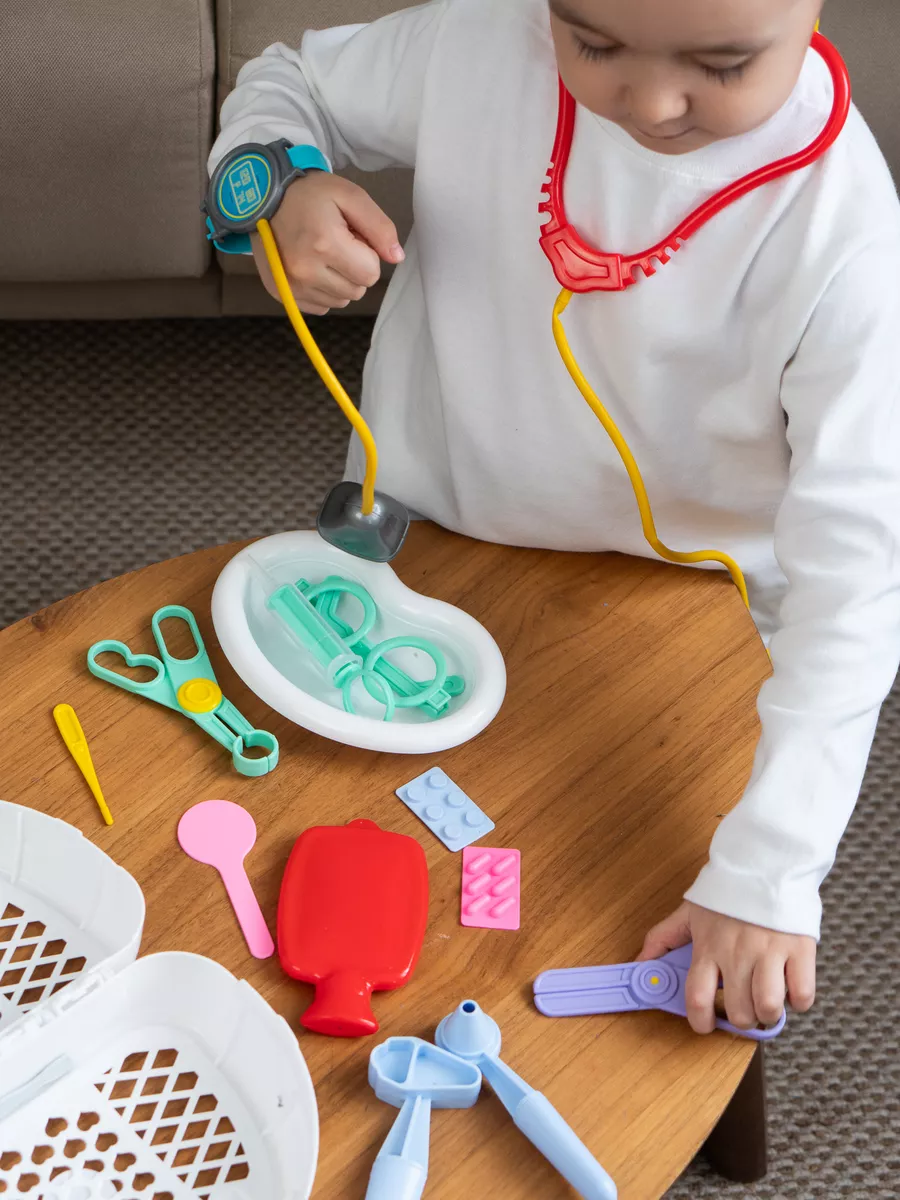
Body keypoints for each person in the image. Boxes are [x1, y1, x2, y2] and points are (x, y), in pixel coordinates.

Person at [209, 0, 900, 1034]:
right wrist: (282, 185)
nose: (652, 103)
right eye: (595, 45)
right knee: (324, 832)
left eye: (722, 63)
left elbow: (859, 575)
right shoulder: (480, 42)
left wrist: (769, 871)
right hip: (433, 539)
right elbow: (287, 82)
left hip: (695, 606)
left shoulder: (844, 228)